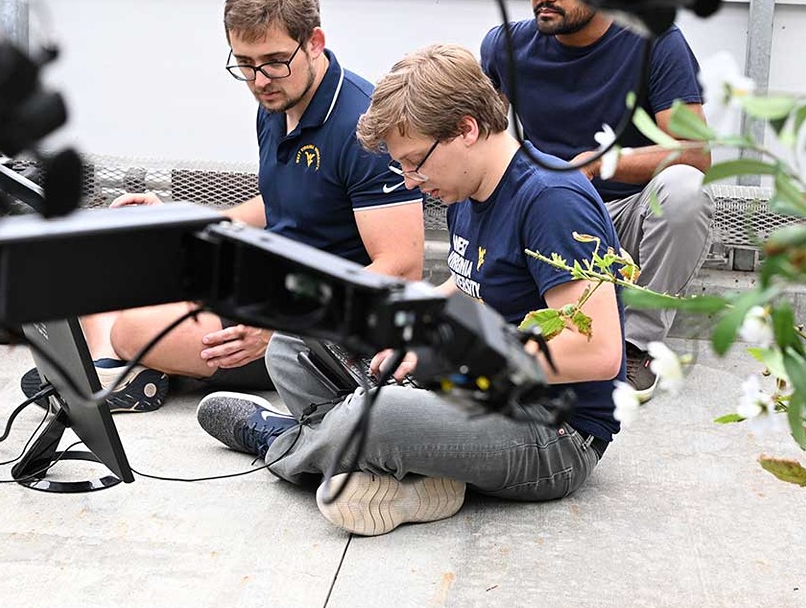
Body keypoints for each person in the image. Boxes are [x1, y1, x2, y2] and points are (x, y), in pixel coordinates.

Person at [196, 44, 625, 537]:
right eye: (402, 167)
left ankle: (284, 442)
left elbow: (598, 352)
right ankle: (407, 474)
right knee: (295, 345)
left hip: (552, 433)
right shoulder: (468, 188)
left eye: (415, 163)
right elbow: (473, 286)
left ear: (466, 128)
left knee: (381, 412)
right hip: (477, 396)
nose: (410, 181)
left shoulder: (553, 200)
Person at [40, 0, 426, 411]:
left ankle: (113, 368)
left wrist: (282, 328)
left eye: (274, 61)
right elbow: (285, 200)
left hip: (314, 324)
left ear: (315, 43)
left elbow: (401, 268)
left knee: (135, 326)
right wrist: (180, 219)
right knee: (109, 255)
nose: (260, 80)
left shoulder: (363, 127)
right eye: (244, 64)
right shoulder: (277, 101)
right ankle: (119, 370)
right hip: (259, 282)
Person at [479, 0, 713, 393]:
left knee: (686, 190)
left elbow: (694, 152)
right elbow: (479, 144)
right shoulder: (505, 48)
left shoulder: (654, 41)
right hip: (547, 218)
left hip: (625, 218)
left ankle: (635, 346)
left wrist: (599, 162)